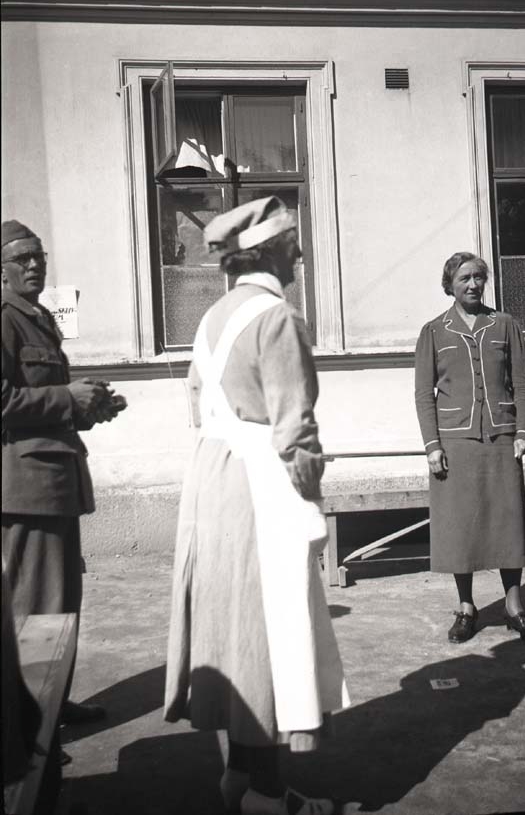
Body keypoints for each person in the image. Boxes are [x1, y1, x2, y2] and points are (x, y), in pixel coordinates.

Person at [164, 196, 349, 815]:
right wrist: (311, 504)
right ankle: (268, 797)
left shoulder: (214, 316)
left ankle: (240, 776)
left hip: (214, 482)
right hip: (261, 486)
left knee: (236, 630)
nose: (300, 253)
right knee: (271, 633)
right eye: (292, 244)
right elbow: (294, 428)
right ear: (268, 252)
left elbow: (198, 404)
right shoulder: (277, 317)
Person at [1, 219, 126, 735]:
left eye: (39, 256)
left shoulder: (38, 318)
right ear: (2, 270)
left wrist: (88, 406)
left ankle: (51, 699)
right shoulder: (5, 319)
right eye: (22, 258)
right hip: (26, 487)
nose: (34, 265)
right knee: (35, 607)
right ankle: (28, 725)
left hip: (54, 482)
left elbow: (48, 402)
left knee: (61, 601)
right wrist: (65, 398)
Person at [414, 251, 525, 645]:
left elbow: (521, 384)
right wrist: (433, 445)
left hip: (502, 440)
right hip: (455, 443)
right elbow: (423, 395)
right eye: (464, 279)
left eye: (478, 277)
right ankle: (466, 608)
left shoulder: (505, 325)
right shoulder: (434, 331)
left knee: (509, 523)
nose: (473, 285)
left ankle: (514, 607)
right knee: (460, 527)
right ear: (449, 286)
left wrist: (523, 432)